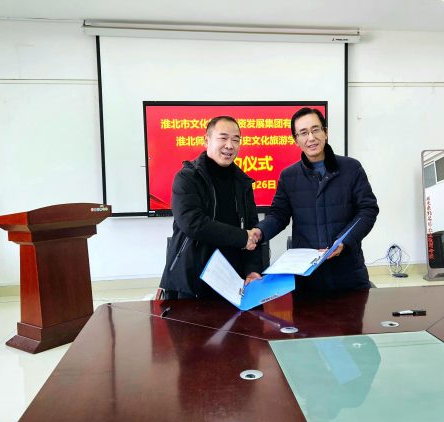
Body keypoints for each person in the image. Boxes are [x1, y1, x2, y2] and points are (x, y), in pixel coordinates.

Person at [250, 107, 378, 294]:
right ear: (296, 140)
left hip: (349, 272)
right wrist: (259, 231)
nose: (311, 137)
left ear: (325, 133)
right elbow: (279, 215)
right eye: (303, 133)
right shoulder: (289, 176)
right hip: (308, 277)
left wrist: (344, 241)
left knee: (354, 314)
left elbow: (368, 210)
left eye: (315, 129)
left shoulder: (351, 168)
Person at [160, 116, 262, 299]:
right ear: (206, 140)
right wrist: (242, 237)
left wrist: (252, 270)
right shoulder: (187, 177)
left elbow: (253, 230)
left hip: (232, 282)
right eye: (223, 138)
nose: (230, 145)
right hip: (192, 281)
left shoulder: (243, 182)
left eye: (236, 139)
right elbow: (193, 223)